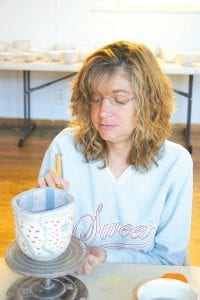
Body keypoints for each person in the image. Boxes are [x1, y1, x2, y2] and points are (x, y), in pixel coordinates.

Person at [38, 40, 193, 274]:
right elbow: (43, 244)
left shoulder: (175, 164)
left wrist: (107, 256)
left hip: (142, 280)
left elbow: (167, 259)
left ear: (149, 103)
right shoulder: (65, 149)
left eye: (119, 100)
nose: (102, 113)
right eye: (95, 99)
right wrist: (43, 211)